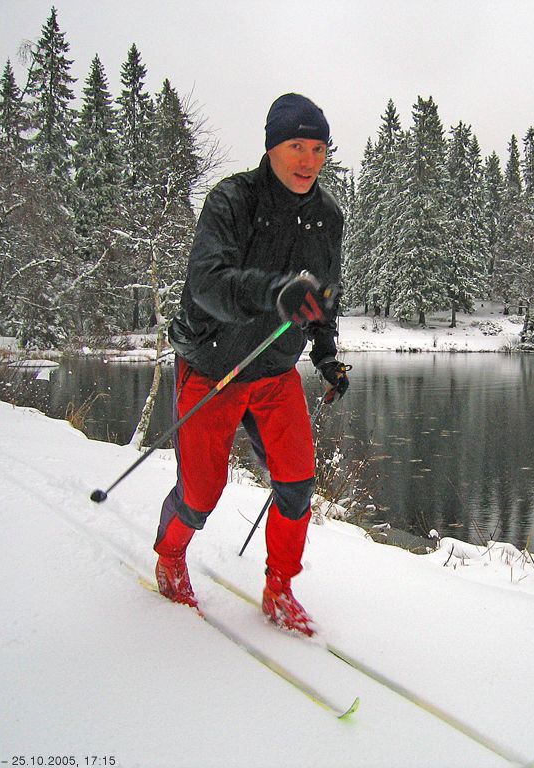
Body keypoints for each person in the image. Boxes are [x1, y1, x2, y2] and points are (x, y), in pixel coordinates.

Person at [152, 93, 350, 636]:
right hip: (211, 366)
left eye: (318, 148)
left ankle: (280, 586)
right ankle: (170, 559)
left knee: (298, 482)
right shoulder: (231, 201)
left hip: (273, 372)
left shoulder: (327, 217)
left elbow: (321, 295)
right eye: (296, 146)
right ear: (271, 147)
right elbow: (206, 284)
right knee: (199, 495)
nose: (308, 160)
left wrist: (327, 354)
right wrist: (275, 293)